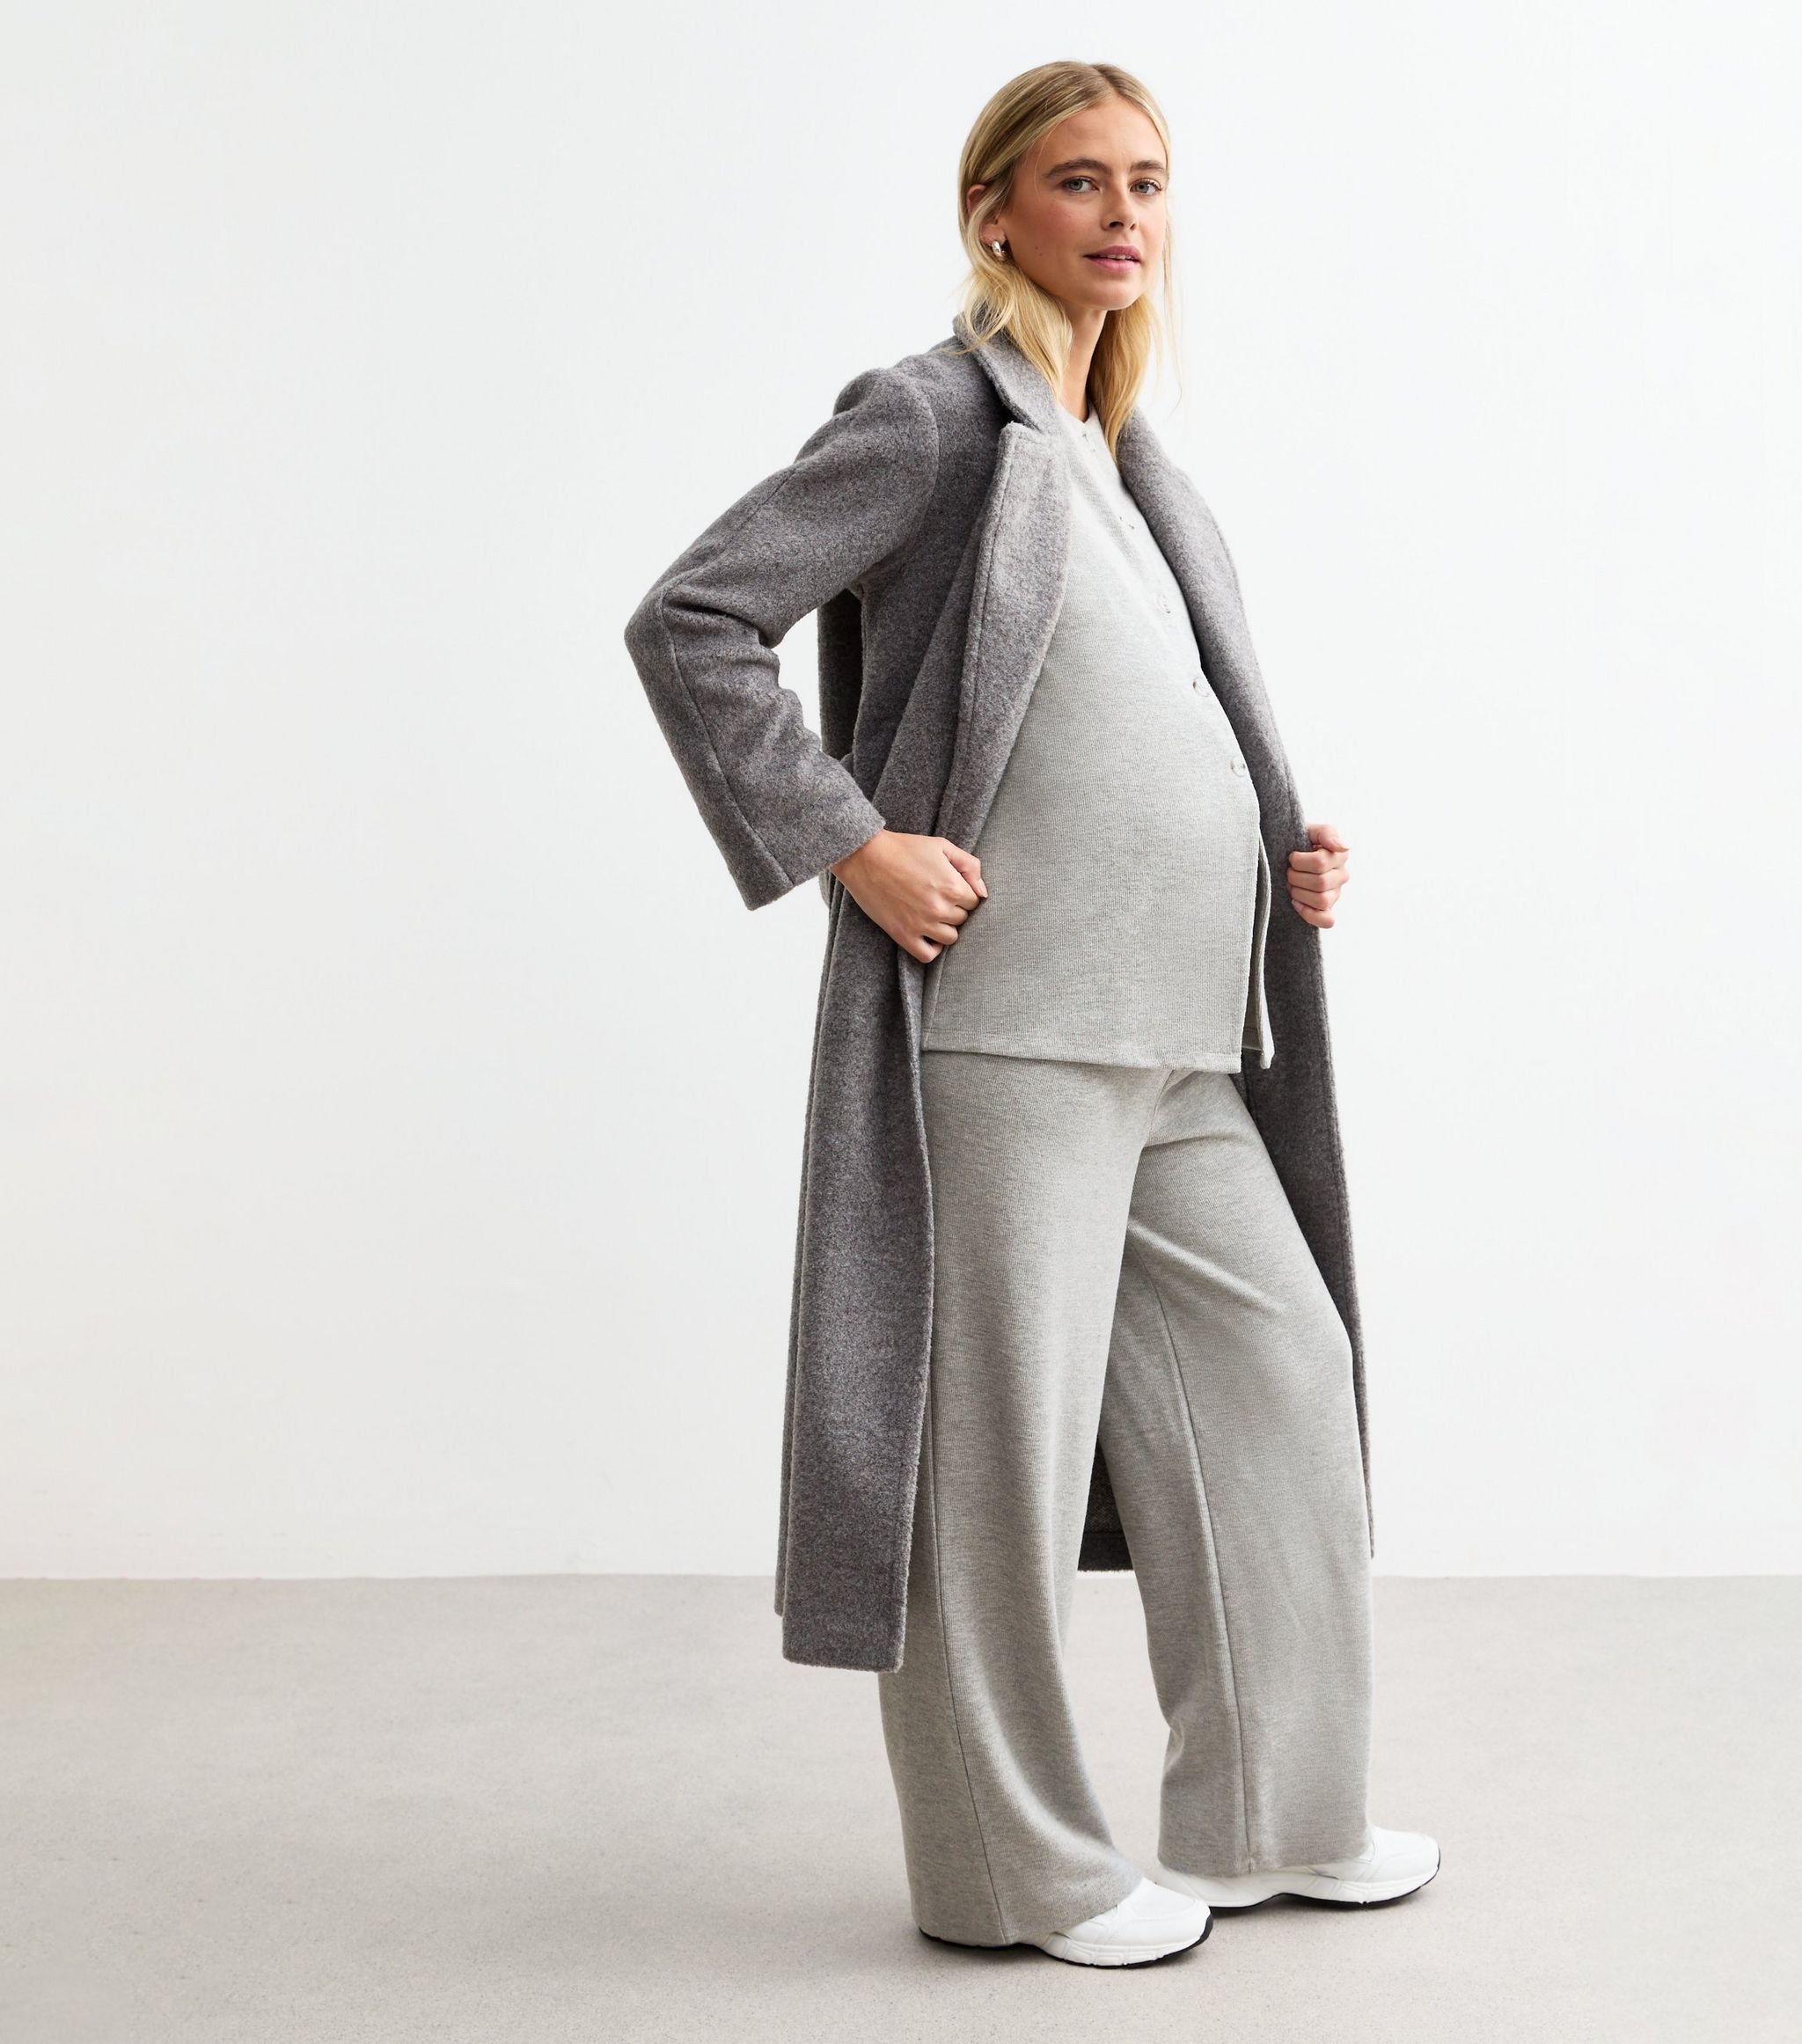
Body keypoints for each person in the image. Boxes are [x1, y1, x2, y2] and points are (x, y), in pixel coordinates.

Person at [624, 59, 1439, 1967]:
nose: (1122, 213)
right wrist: (850, 842)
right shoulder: (931, 420)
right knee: (984, 1463)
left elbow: (1142, 731)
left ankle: (1273, 1816)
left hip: (1184, 1043)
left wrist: (1274, 857)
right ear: (994, 211)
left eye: (1146, 180)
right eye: (1079, 180)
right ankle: (1016, 1876)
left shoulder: (1137, 467)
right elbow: (696, 620)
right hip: (1010, 1036)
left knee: (1282, 1392)